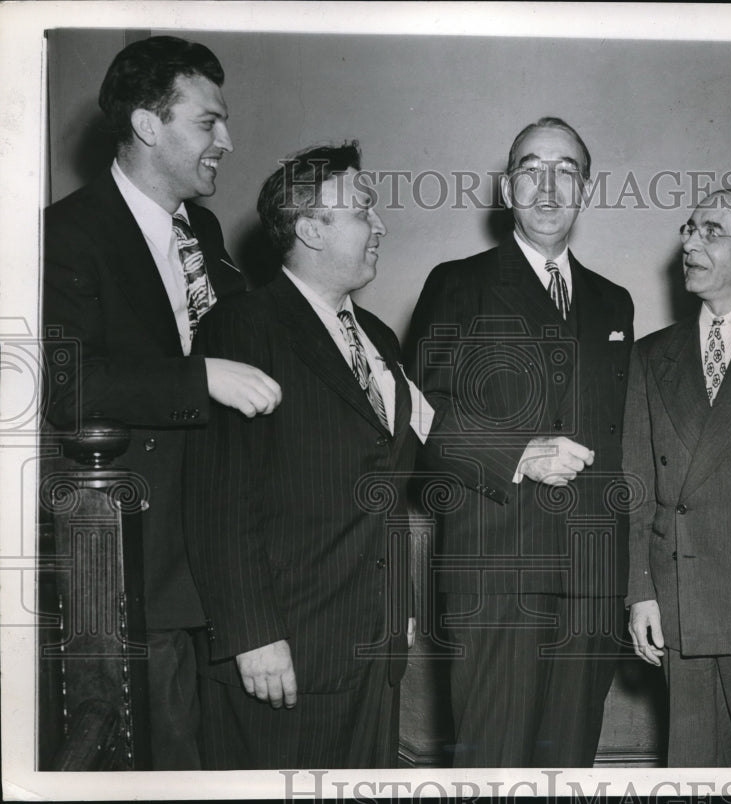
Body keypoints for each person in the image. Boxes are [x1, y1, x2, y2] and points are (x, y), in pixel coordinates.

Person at [42, 35, 281, 769]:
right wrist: (198, 378)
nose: (228, 142)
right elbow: (63, 382)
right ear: (149, 125)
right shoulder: (66, 234)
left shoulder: (202, 232)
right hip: (142, 562)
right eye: (210, 122)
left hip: (221, 550)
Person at [406, 117, 634, 767]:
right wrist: (518, 453)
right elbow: (418, 418)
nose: (548, 186)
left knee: (570, 766)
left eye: (566, 171)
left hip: (591, 580)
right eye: (531, 170)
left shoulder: (613, 303)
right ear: (508, 188)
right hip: (496, 574)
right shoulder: (458, 283)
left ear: (585, 190)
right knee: (492, 767)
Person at [183, 143, 419, 769]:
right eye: (364, 209)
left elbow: (410, 456)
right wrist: (253, 635)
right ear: (311, 228)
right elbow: (217, 499)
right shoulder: (241, 328)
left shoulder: (379, 340)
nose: (381, 224)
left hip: (373, 651)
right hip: (282, 656)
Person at [625, 189, 731, 766]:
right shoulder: (651, 355)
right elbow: (636, 483)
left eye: (712, 232)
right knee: (693, 775)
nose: (690, 243)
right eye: (689, 228)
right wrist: (641, 592)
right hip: (682, 600)